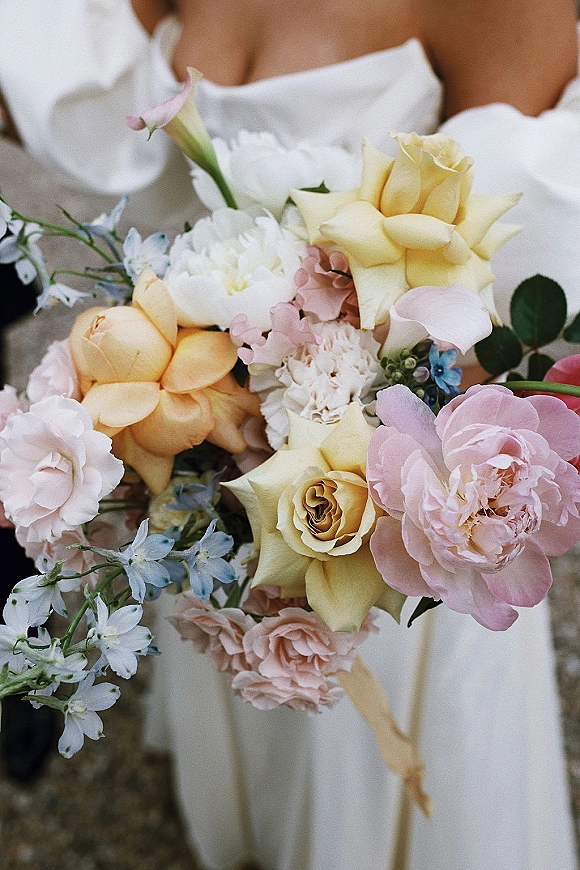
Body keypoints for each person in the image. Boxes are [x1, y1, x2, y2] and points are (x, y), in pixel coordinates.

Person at [0, 2, 579, 868]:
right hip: (207, 480)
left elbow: (497, 300)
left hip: (384, 514)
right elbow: (78, 89)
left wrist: (321, 422)